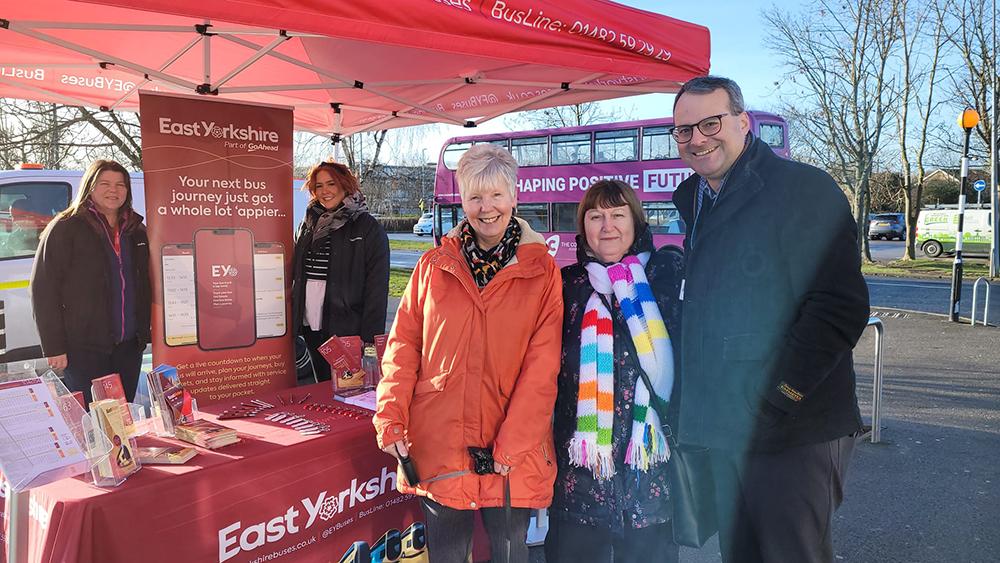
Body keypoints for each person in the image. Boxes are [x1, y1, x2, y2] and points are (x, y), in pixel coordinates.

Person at [671, 75, 870, 563]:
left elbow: (839, 306)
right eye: (683, 130)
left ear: (743, 121)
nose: (697, 138)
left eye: (710, 123)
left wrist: (778, 395)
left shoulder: (801, 189)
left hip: (795, 430)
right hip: (726, 430)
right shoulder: (694, 200)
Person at [373, 144, 562, 563]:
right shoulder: (433, 266)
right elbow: (404, 347)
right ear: (463, 201)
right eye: (476, 196)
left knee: (511, 556)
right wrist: (390, 416)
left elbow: (542, 367)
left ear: (514, 197)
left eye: (496, 195)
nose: (487, 207)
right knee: (448, 556)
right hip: (442, 445)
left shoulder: (542, 272)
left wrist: (511, 447)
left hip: (511, 453)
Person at [545, 180, 683, 563]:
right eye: (596, 216)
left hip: (649, 475)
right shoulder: (566, 286)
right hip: (581, 479)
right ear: (583, 227)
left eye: (618, 215)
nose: (608, 226)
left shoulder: (664, 278)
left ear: (636, 223)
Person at [30, 160, 151, 404]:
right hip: (84, 347)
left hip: (128, 347)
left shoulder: (136, 231)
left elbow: (146, 283)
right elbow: (44, 289)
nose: (113, 190)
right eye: (104, 183)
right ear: (89, 187)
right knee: (92, 418)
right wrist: (54, 347)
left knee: (122, 416)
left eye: (120, 184)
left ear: (127, 190)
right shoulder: (66, 228)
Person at [291, 161, 389, 382]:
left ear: (345, 185)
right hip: (308, 325)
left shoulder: (367, 227)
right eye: (318, 186)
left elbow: (377, 289)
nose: (324, 191)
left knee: (349, 389)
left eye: (331, 183)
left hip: (346, 328)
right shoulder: (308, 224)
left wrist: (370, 340)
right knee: (316, 387)